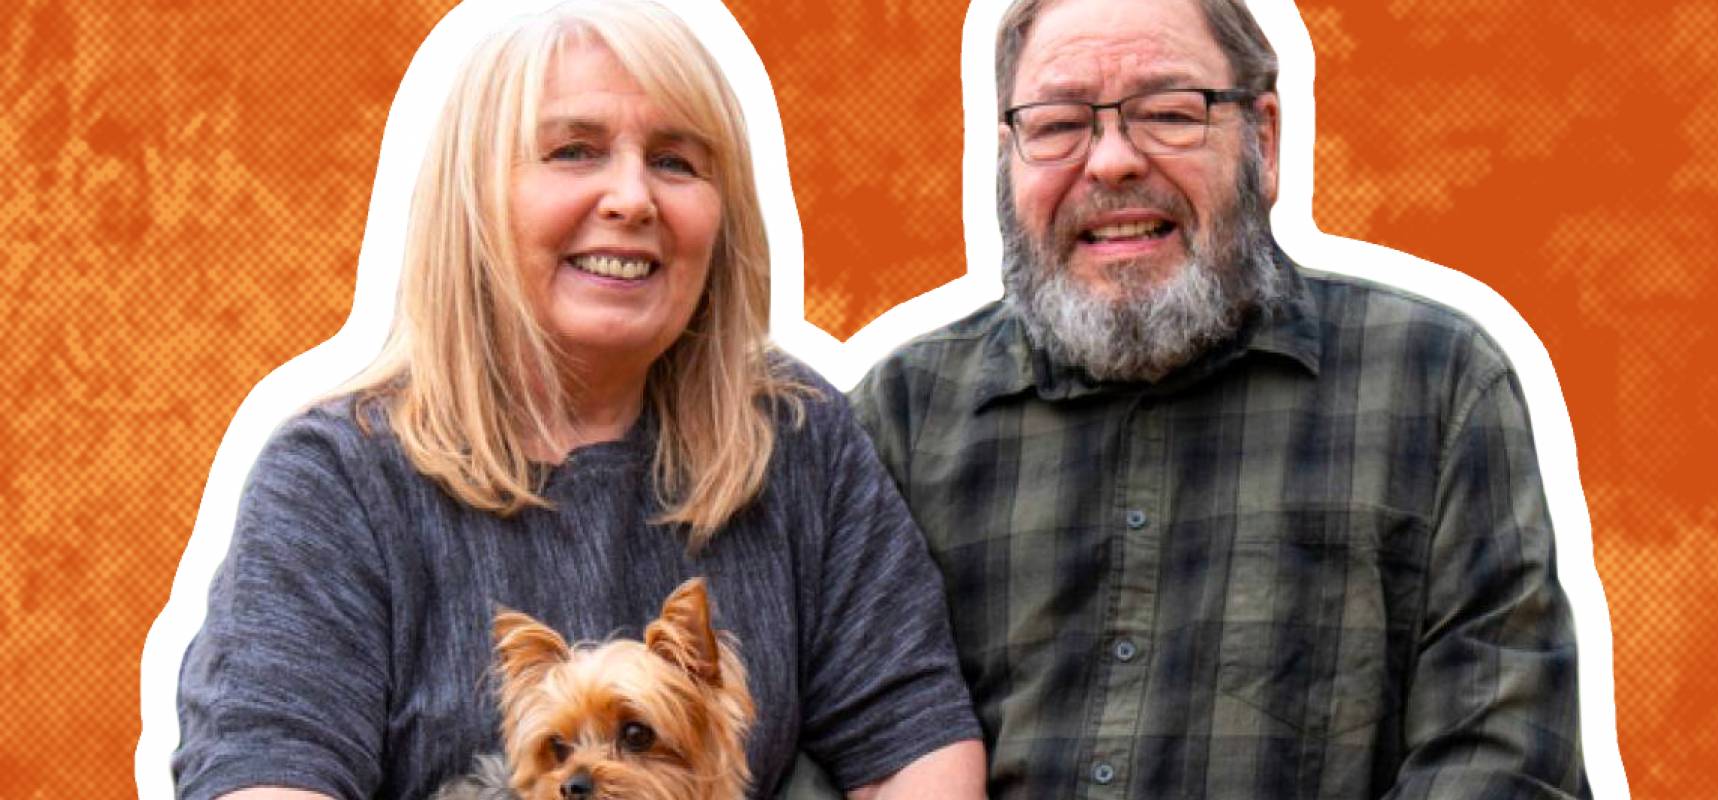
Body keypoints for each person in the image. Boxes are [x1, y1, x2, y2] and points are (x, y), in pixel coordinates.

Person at [170, 1, 984, 797]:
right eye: (574, 151)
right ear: (472, 202)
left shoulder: (794, 434)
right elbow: (268, 771)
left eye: (675, 161)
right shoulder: (335, 481)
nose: (632, 197)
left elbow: (910, 747)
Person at [850, 0, 1590, 796]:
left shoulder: (1436, 383)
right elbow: (817, 739)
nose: (1111, 162)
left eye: (1169, 113)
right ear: (1007, 159)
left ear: (1264, 143)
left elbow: (1500, 764)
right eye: (1059, 124)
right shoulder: (900, 419)